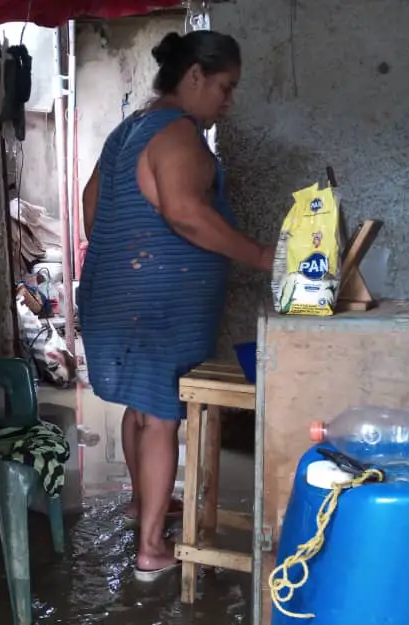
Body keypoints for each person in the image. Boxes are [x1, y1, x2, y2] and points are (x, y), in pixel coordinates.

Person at [78, 30, 274, 582]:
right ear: (194, 77)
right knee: (163, 417)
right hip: (157, 305)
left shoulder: (128, 131)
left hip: (117, 298)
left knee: (140, 411)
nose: (227, 101)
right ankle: (150, 550)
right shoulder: (178, 134)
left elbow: (93, 210)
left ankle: (146, 508)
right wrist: (261, 256)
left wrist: (128, 255)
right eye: (224, 87)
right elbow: (186, 214)